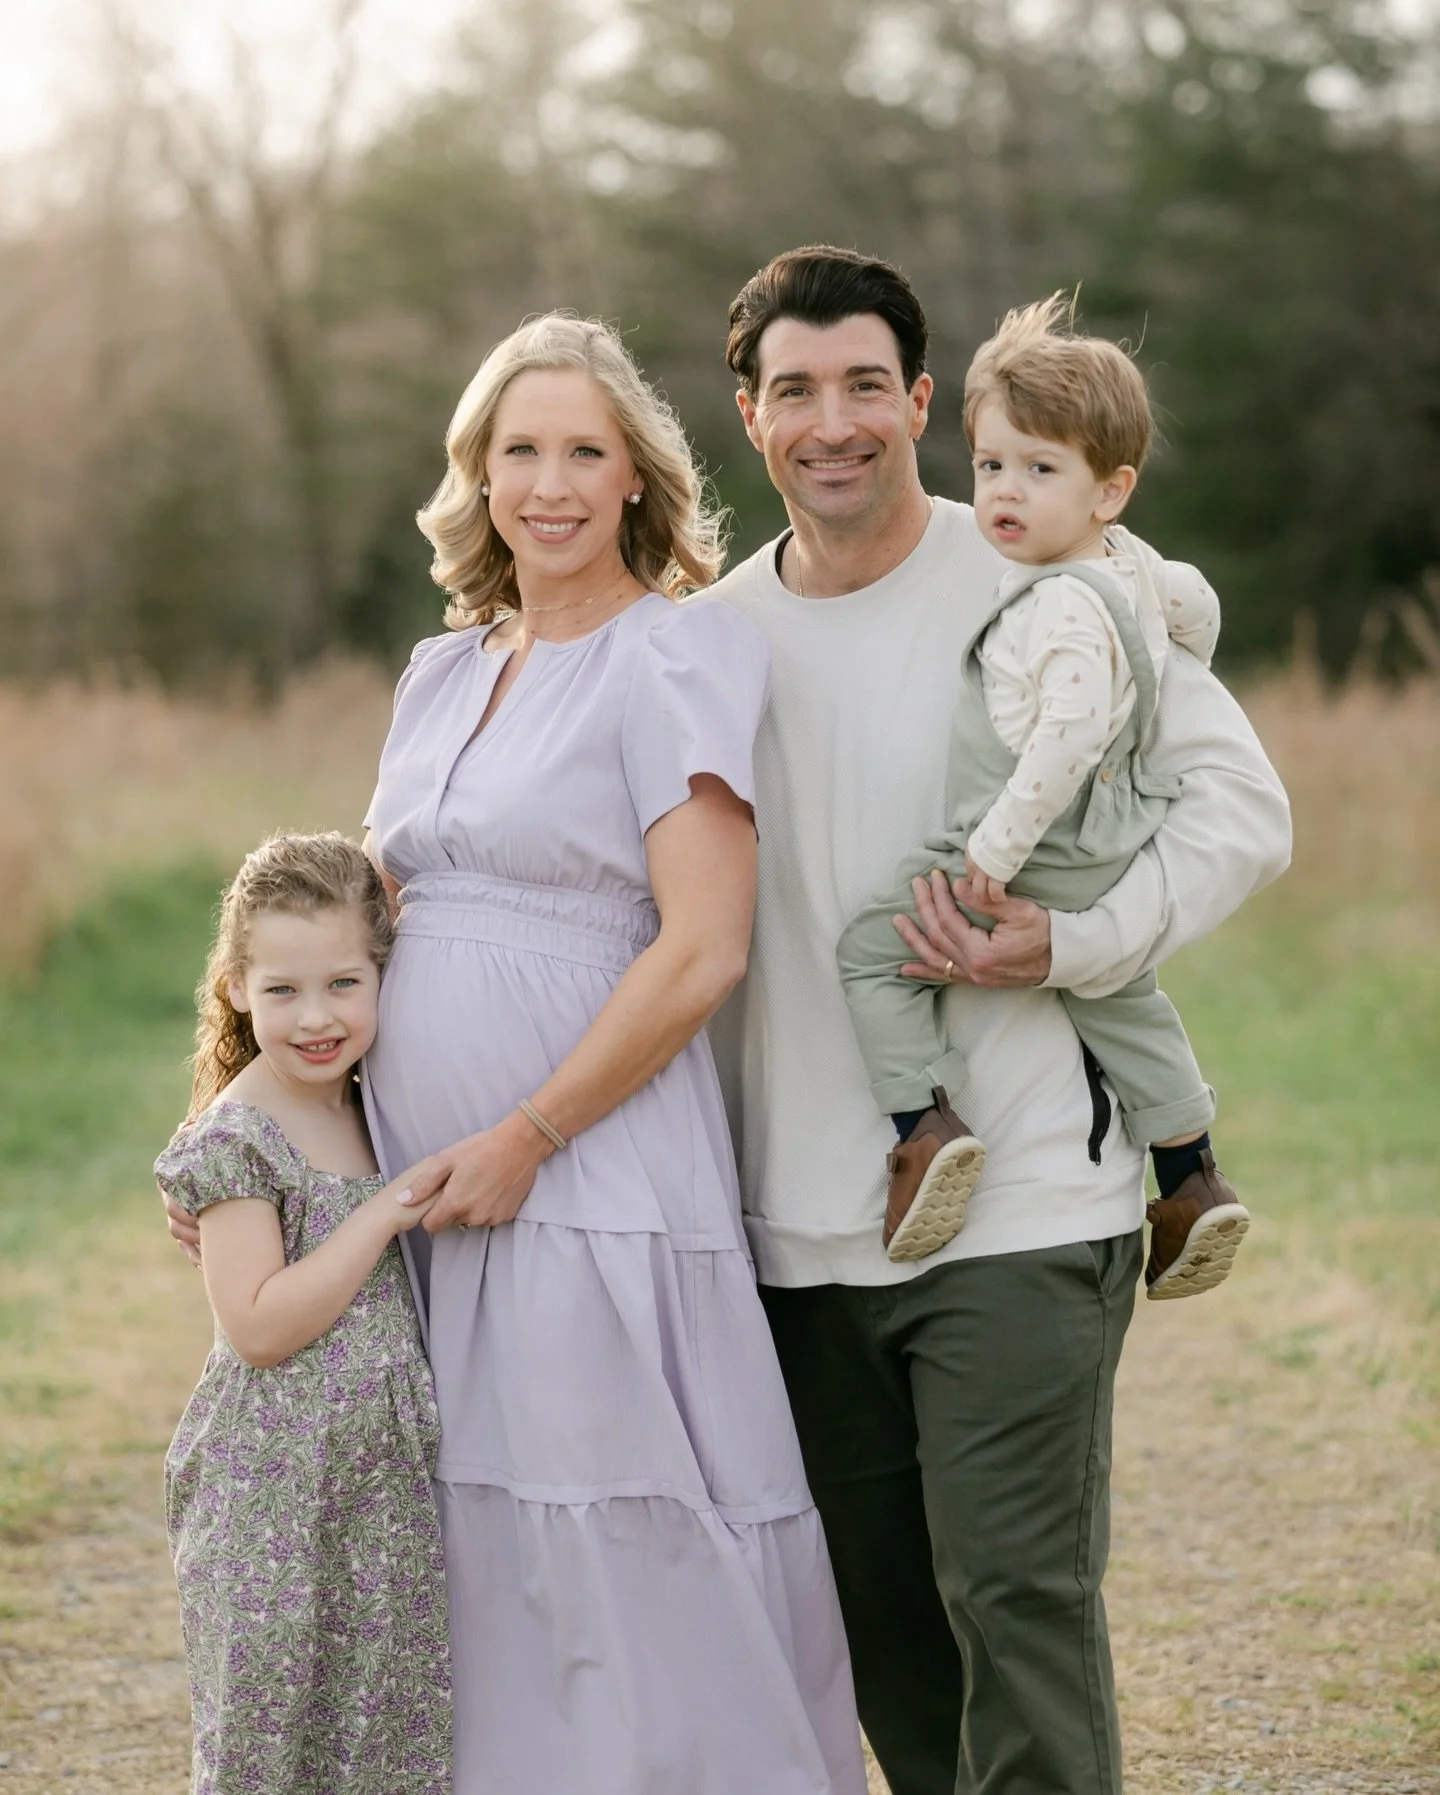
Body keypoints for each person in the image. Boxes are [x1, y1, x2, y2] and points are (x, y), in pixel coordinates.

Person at [707, 247, 1291, 1795]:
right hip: (796, 1229)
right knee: (889, 1641)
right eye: (793, 391)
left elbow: (1242, 810)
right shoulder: (704, 638)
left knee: (1016, 1607)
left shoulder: (1054, 573)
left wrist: (1073, 941)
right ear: (750, 415)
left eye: (864, 385)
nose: (832, 422)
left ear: (918, 401)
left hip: (1025, 1204)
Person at [362, 314, 862, 1793]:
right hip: (428, 1189)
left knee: (612, 1530)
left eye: (585, 451)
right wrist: (249, 1137)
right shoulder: (439, 670)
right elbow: (359, 926)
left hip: (588, 1174)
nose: (551, 484)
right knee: (488, 1549)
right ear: (480, 472)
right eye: (520, 450)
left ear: (637, 473)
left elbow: (702, 948)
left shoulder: (675, 652)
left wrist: (529, 1133)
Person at [836, 292, 1250, 1296]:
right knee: (1119, 993)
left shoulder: (1052, 603)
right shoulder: (1132, 568)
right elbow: (1199, 605)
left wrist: (993, 852)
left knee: (873, 953)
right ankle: (1189, 1171)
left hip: (1034, 842)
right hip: (1111, 840)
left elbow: (1063, 739)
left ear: (1110, 489)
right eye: (990, 467)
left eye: (1040, 470)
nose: (1004, 493)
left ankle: (924, 1127)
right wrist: (1176, 647)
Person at [154, 831, 451, 1795]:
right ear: (237, 987)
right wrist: (384, 1213)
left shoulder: (369, 1100)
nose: (316, 1016)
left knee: (378, 1735)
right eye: (282, 989)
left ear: (383, 977)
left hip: (374, 1480)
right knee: (270, 1744)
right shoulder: (240, 1134)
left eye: (343, 984)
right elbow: (259, 1325)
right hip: (271, 1490)